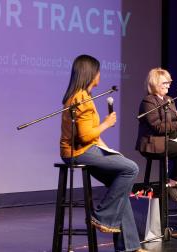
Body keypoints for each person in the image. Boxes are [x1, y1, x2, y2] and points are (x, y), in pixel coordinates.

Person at [60, 55, 145, 252]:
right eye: (98, 71)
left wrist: (109, 150)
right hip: (78, 152)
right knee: (131, 168)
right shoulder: (80, 98)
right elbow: (85, 135)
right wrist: (106, 123)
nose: (100, 75)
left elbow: (92, 137)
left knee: (120, 185)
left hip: (86, 148)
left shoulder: (82, 96)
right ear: (90, 74)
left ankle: (130, 246)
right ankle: (101, 216)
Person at [137, 68, 177, 202]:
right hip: (154, 142)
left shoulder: (169, 99)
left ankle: (176, 182)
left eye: (169, 82)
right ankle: (172, 184)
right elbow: (158, 126)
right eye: (164, 82)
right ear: (154, 84)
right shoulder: (148, 101)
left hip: (169, 138)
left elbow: (170, 120)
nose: (168, 85)